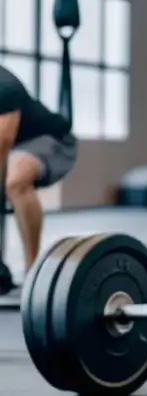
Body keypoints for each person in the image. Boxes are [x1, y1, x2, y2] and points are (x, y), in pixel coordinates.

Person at [0, 66, 78, 295]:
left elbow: (3, 141)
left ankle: (33, 272)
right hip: (12, 148)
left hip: (50, 141)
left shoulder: (5, 84)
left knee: (14, 181)